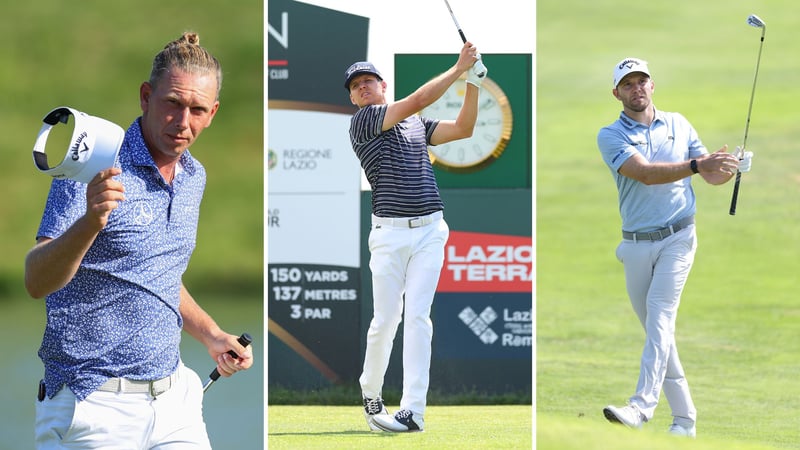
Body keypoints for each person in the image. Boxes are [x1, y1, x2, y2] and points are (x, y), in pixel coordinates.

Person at [25, 32, 253, 448]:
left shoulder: (193, 176)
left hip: (175, 404)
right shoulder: (95, 164)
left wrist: (211, 334)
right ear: (146, 96)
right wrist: (91, 221)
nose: (184, 123)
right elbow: (36, 280)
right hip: (90, 404)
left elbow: (154, 272)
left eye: (198, 110)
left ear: (213, 112)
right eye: (173, 104)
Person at [597, 57, 753, 438]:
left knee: (660, 317)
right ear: (616, 92)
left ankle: (640, 407)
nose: (637, 89)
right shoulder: (610, 135)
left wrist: (732, 166)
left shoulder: (679, 124)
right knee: (659, 332)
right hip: (635, 244)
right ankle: (684, 421)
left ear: (653, 86)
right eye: (628, 84)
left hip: (679, 237)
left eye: (642, 81)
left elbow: (710, 173)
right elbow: (646, 174)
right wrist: (701, 166)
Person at [344, 42, 487, 433]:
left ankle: (413, 411)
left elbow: (463, 129)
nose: (363, 88)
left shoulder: (415, 125)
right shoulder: (364, 122)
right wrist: (460, 67)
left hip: (429, 231)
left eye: (368, 81)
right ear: (354, 98)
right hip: (389, 235)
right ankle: (371, 390)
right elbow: (420, 97)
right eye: (356, 86)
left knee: (419, 318)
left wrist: (473, 83)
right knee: (387, 320)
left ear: (382, 84)